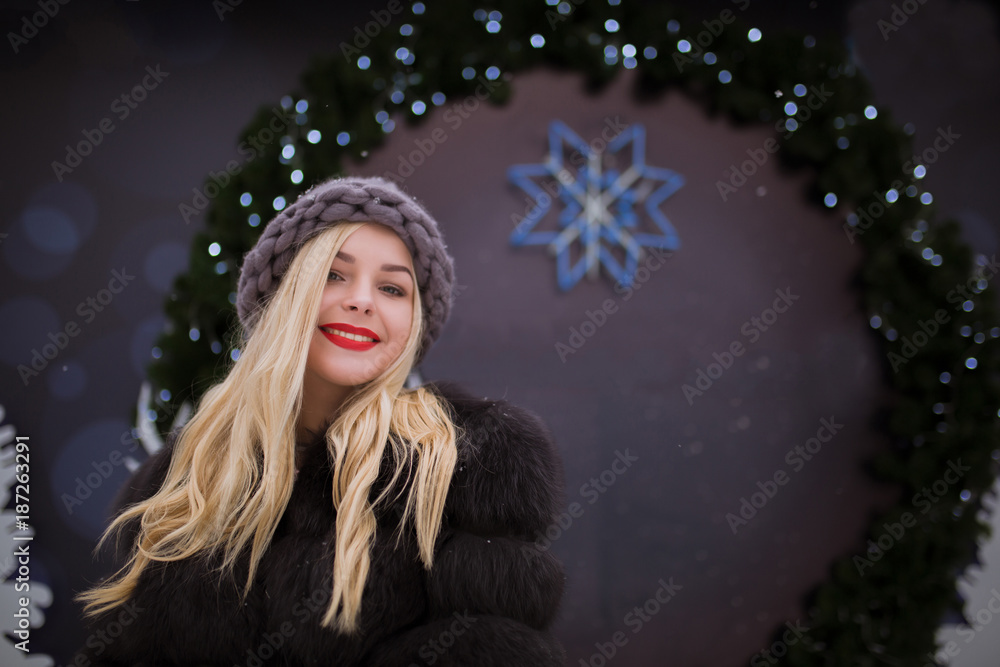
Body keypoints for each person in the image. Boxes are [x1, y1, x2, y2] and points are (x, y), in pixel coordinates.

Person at [73, 176, 567, 666]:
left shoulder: (462, 458)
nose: (363, 300)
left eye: (393, 287)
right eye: (334, 274)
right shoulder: (182, 476)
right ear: (286, 296)